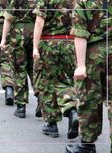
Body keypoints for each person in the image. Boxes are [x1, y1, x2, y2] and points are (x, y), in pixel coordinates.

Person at [65, 0, 112, 152]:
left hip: (94, 54)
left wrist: (80, 66)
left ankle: (87, 144)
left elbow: (80, 33)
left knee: (89, 98)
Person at [32, 0, 78, 138]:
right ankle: (71, 109)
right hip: (70, 42)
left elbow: (40, 22)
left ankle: (52, 124)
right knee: (67, 81)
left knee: (47, 83)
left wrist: (35, 46)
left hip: (49, 42)